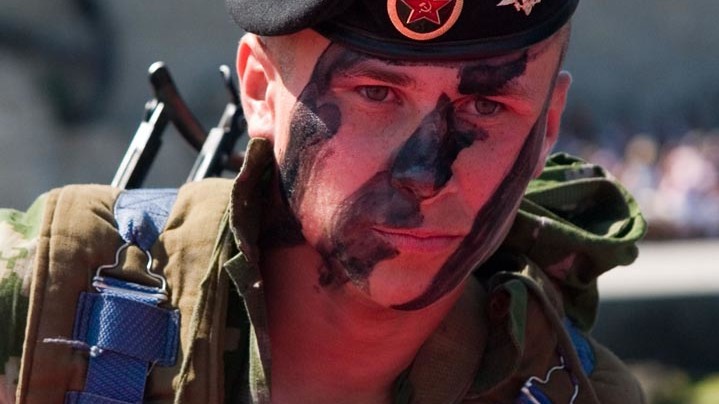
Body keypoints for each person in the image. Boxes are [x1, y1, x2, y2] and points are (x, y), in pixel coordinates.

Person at [0, 0, 648, 402]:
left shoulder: (578, 391)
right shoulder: (37, 300)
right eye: (376, 94)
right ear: (260, 90)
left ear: (548, 123)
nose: (426, 174)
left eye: (486, 106)